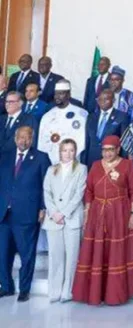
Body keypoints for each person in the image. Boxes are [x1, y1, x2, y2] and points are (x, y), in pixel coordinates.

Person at [72, 135, 133, 305]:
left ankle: (116, 293)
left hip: (120, 212)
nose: (107, 153)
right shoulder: (96, 166)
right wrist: (88, 213)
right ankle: (96, 291)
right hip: (98, 213)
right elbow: (89, 191)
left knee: (117, 251)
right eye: (104, 150)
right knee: (97, 251)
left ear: (118, 149)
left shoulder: (128, 165)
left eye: (111, 150)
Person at [0, 126, 50, 301]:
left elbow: (47, 185)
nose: (23, 141)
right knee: (2, 253)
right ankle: (6, 286)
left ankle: (24, 289)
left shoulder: (41, 158)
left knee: (26, 254)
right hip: (4, 214)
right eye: (20, 137)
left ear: (32, 138)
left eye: (27, 137)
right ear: (15, 138)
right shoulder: (4, 156)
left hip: (27, 214)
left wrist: (43, 208)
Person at [42, 138, 87, 302]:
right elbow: (47, 192)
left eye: (71, 150)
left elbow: (78, 195)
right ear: (59, 152)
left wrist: (64, 213)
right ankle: (54, 291)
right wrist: (54, 213)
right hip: (53, 219)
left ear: (75, 152)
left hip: (72, 218)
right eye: (64, 150)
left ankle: (68, 291)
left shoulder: (82, 169)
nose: (68, 153)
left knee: (72, 256)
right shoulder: (51, 169)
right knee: (55, 256)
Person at [38, 81, 88, 164]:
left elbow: (82, 141)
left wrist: (69, 157)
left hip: (73, 161)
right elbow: (42, 142)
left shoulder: (81, 114)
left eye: (61, 94)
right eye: (56, 94)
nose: (57, 97)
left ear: (68, 95)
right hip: (51, 162)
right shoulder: (47, 116)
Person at [81, 89, 130, 168]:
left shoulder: (121, 117)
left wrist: (122, 164)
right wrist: (84, 162)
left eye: (106, 99)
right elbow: (87, 142)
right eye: (100, 99)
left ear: (113, 100)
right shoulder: (91, 117)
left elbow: (124, 143)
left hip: (112, 161)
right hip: (92, 161)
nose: (102, 102)